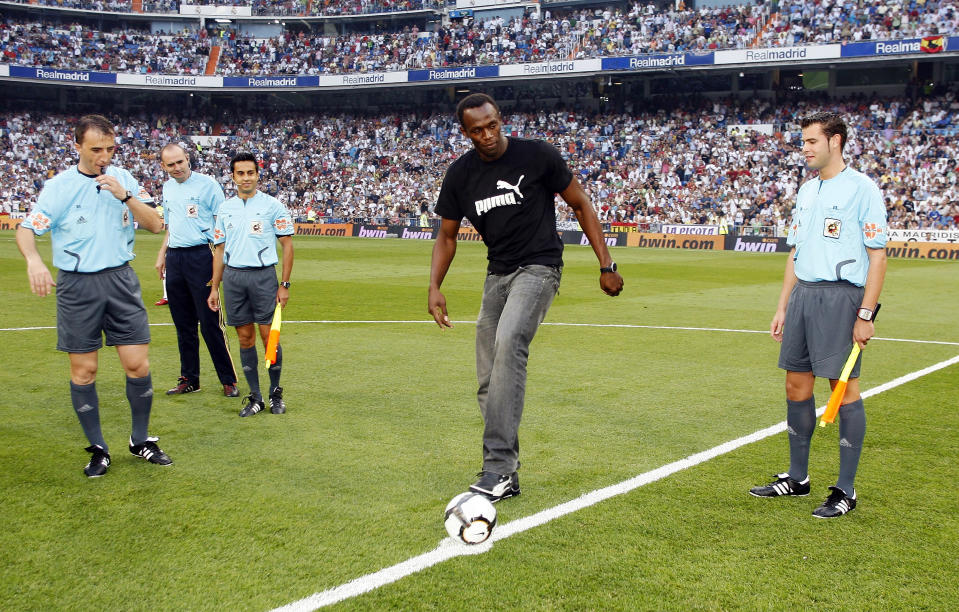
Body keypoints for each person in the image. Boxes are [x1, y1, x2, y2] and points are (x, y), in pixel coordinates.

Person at [428, 93, 624, 502]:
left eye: (492, 125)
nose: (487, 135)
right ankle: (509, 473)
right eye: (477, 130)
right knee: (487, 377)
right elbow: (446, 236)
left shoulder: (537, 156)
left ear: (501, 120)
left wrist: (606, 265)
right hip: (496, 275)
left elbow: (581, 203)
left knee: (509, 343)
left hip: (539, 268)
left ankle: (496, 468)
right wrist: (434, 287)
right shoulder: (460, 175)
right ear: (465, 133)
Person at [15, 114, 171, 478]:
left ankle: (140, 439)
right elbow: (27, 231)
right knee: (84, 370)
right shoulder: (59, 187)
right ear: (78, 146)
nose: (104, 155)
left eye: (110, 148)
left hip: (120, 280)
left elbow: (155, 224)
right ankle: (99, 448)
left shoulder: (124, 178)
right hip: (77, 285)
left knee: (138, 365)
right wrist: (34, 261)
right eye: (96, 149)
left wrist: (126, 195)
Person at [751, 112, 888, 518]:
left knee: (843, 389)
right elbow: (795, 252)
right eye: (804, 142)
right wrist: (782, 305)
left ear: (836, 141)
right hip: (803, 298)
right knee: (796, 386)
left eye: (812, 141)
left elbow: (878, 257)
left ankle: (845, 490)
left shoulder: (863, 189)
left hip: (841, 298)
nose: (805, 149)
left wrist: (866, 313)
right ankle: (797, 478)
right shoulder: (806, 191)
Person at [207, 152, 294, 417]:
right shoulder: (225, 209)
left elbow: (287, 246)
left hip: (263, 277)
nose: (246, 178)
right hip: (233, 279)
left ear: (258, 174)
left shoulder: (273, 206)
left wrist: (284, 284)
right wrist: (214, 287)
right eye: (240, 173)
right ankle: (254, 396)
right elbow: (219, 251)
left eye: (250, 173)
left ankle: (275, 392)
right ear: (233, 176)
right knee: (245, 338)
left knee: (270, 338)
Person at [154, 143, 239, 398]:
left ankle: (228, 379)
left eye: (180, 162)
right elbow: (171, 227)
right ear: (163, 166)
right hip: (176, 258)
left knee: (210, 321)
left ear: (187, 159)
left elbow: (223, 223)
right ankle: (190, 378)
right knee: (183, 324)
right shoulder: (167, 188)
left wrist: (222, 258)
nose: (177, 168)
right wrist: (162, 255)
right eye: (171, 164)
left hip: (202, 254)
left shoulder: (208, 185)